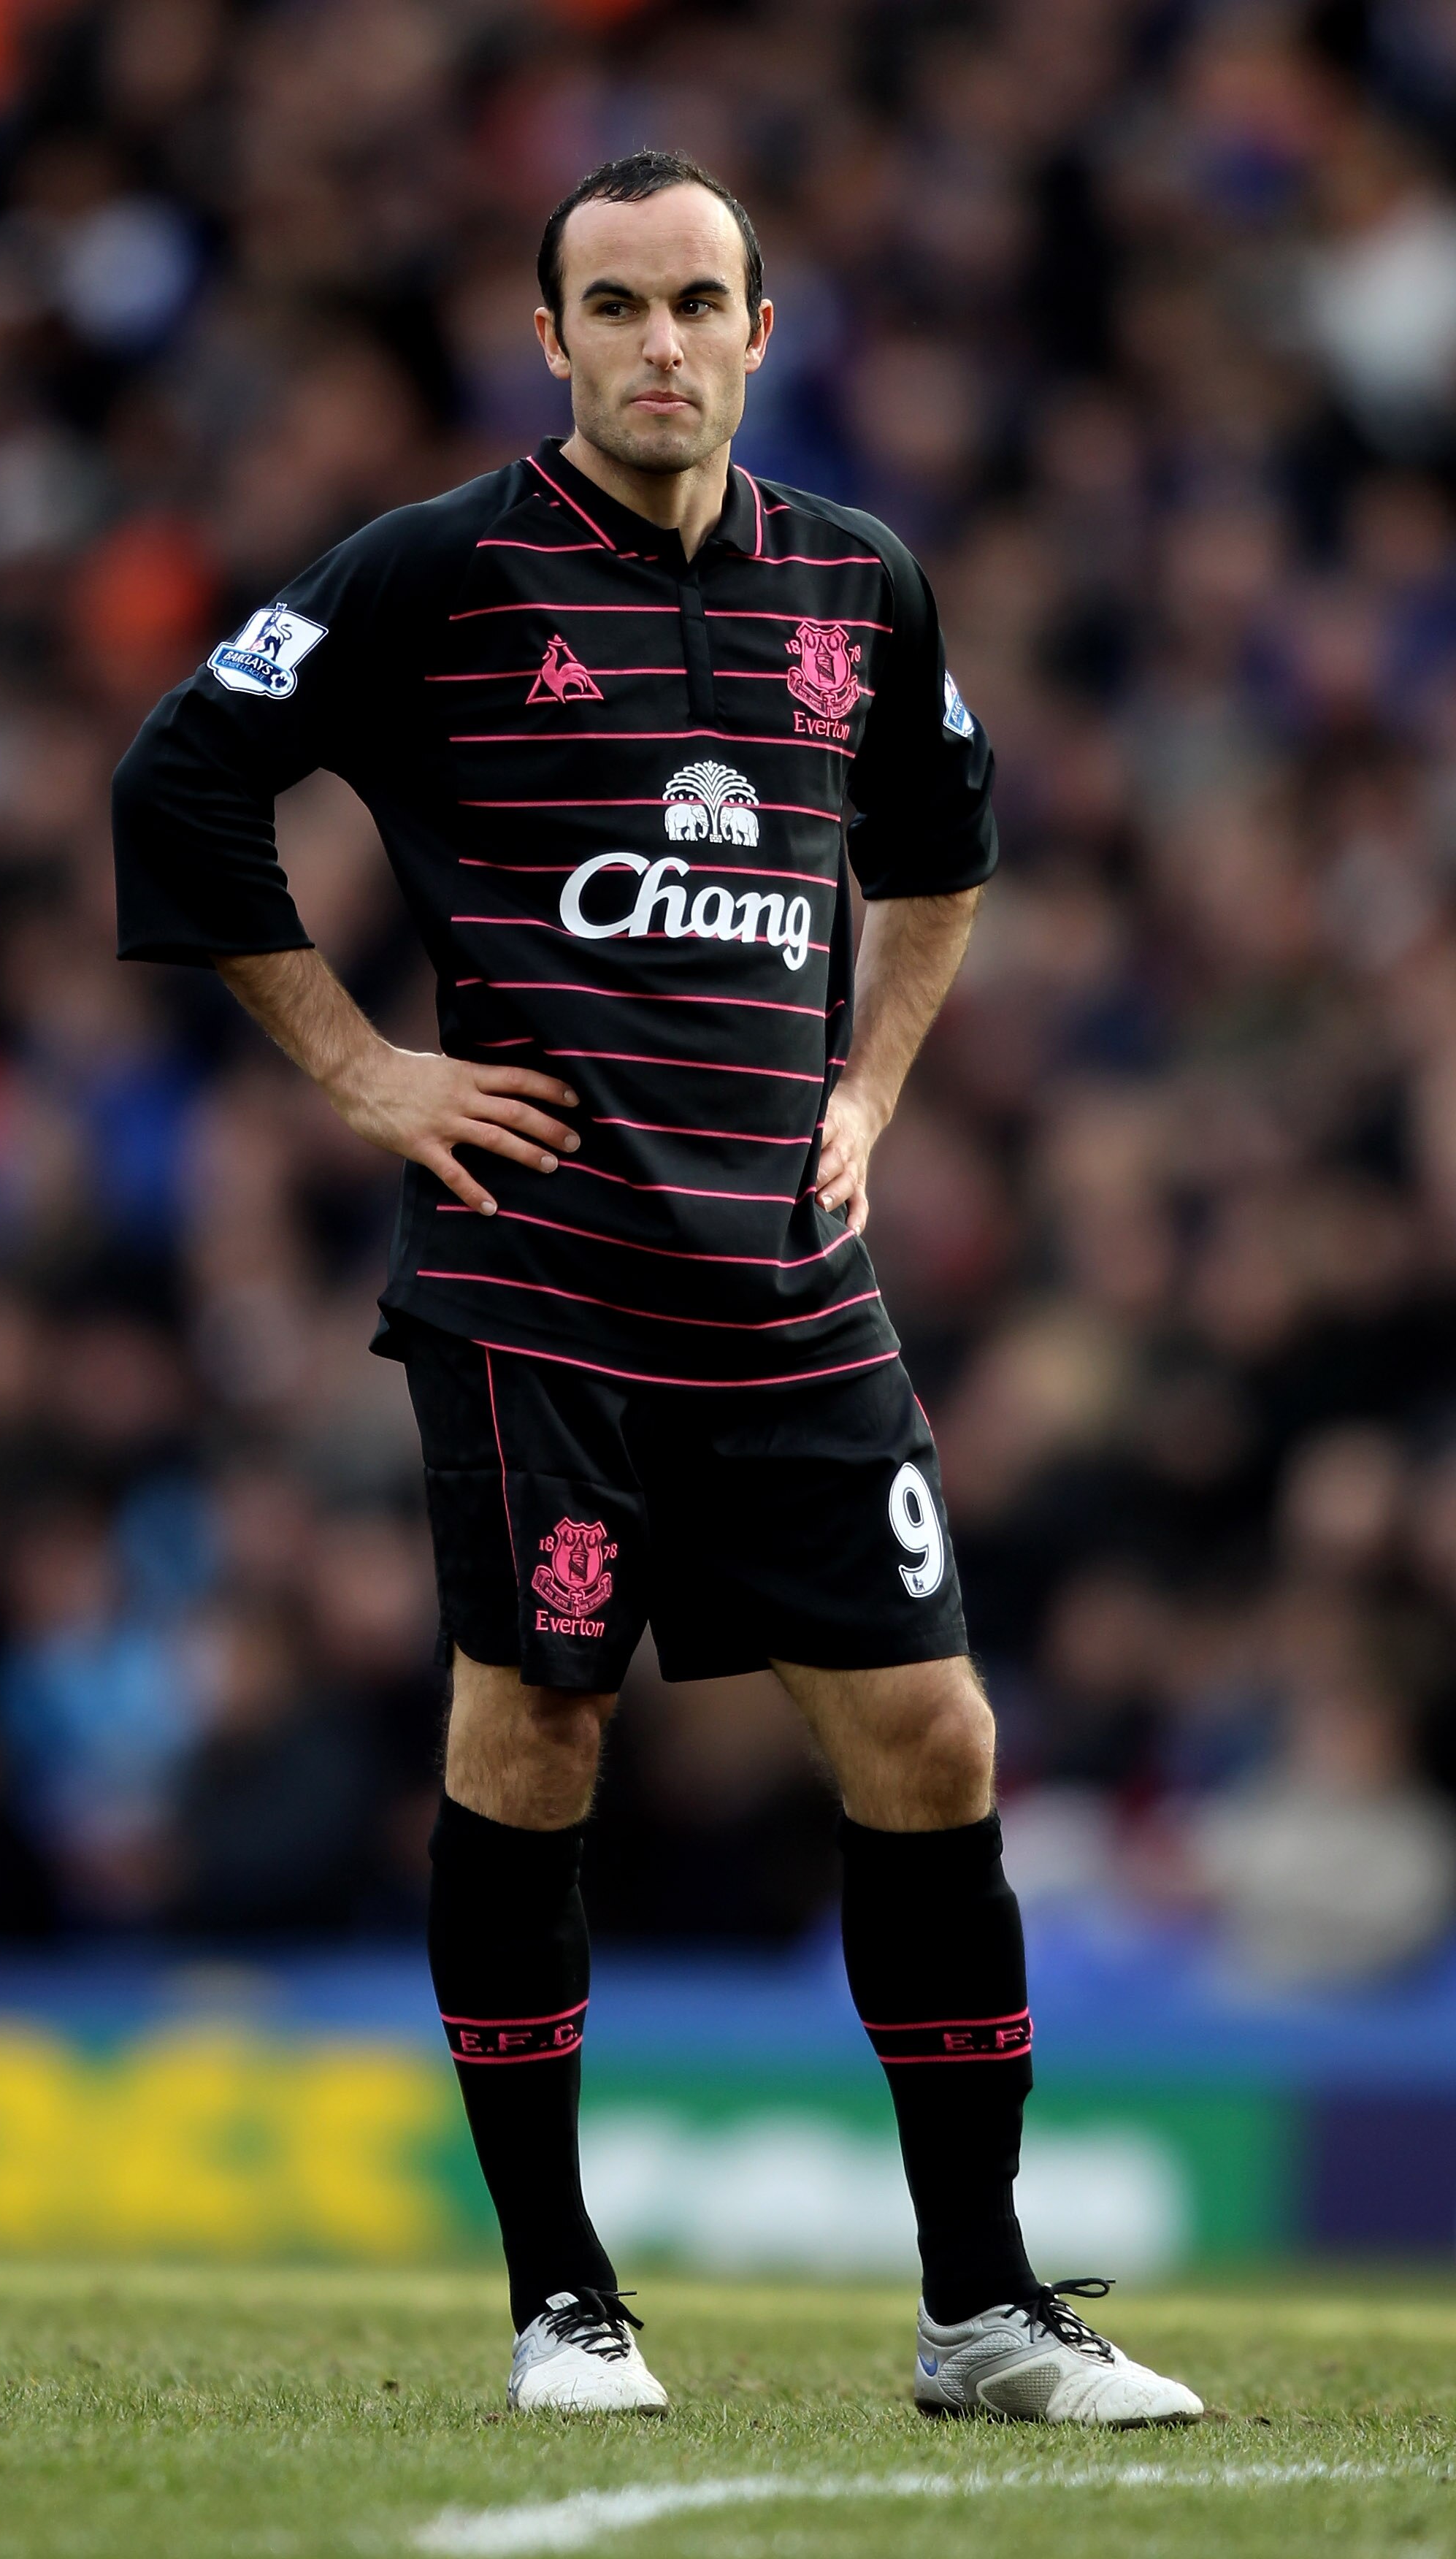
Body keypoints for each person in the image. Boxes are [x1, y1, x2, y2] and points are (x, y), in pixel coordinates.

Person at [112, 148, 1200, 2427]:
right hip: (543, 1292)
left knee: (939, 1738)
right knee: (538, 1729)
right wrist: (360, 1067)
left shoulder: (860, 586)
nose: (661, 345)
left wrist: (876, 1094)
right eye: (614, 306)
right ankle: (562, 2296)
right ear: (552, 340)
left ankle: (984, 2306)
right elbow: (186, 778)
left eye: (699, 302)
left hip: (791, 1294)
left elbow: (946, 842)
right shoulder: (440, 570)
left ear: (763, 330)